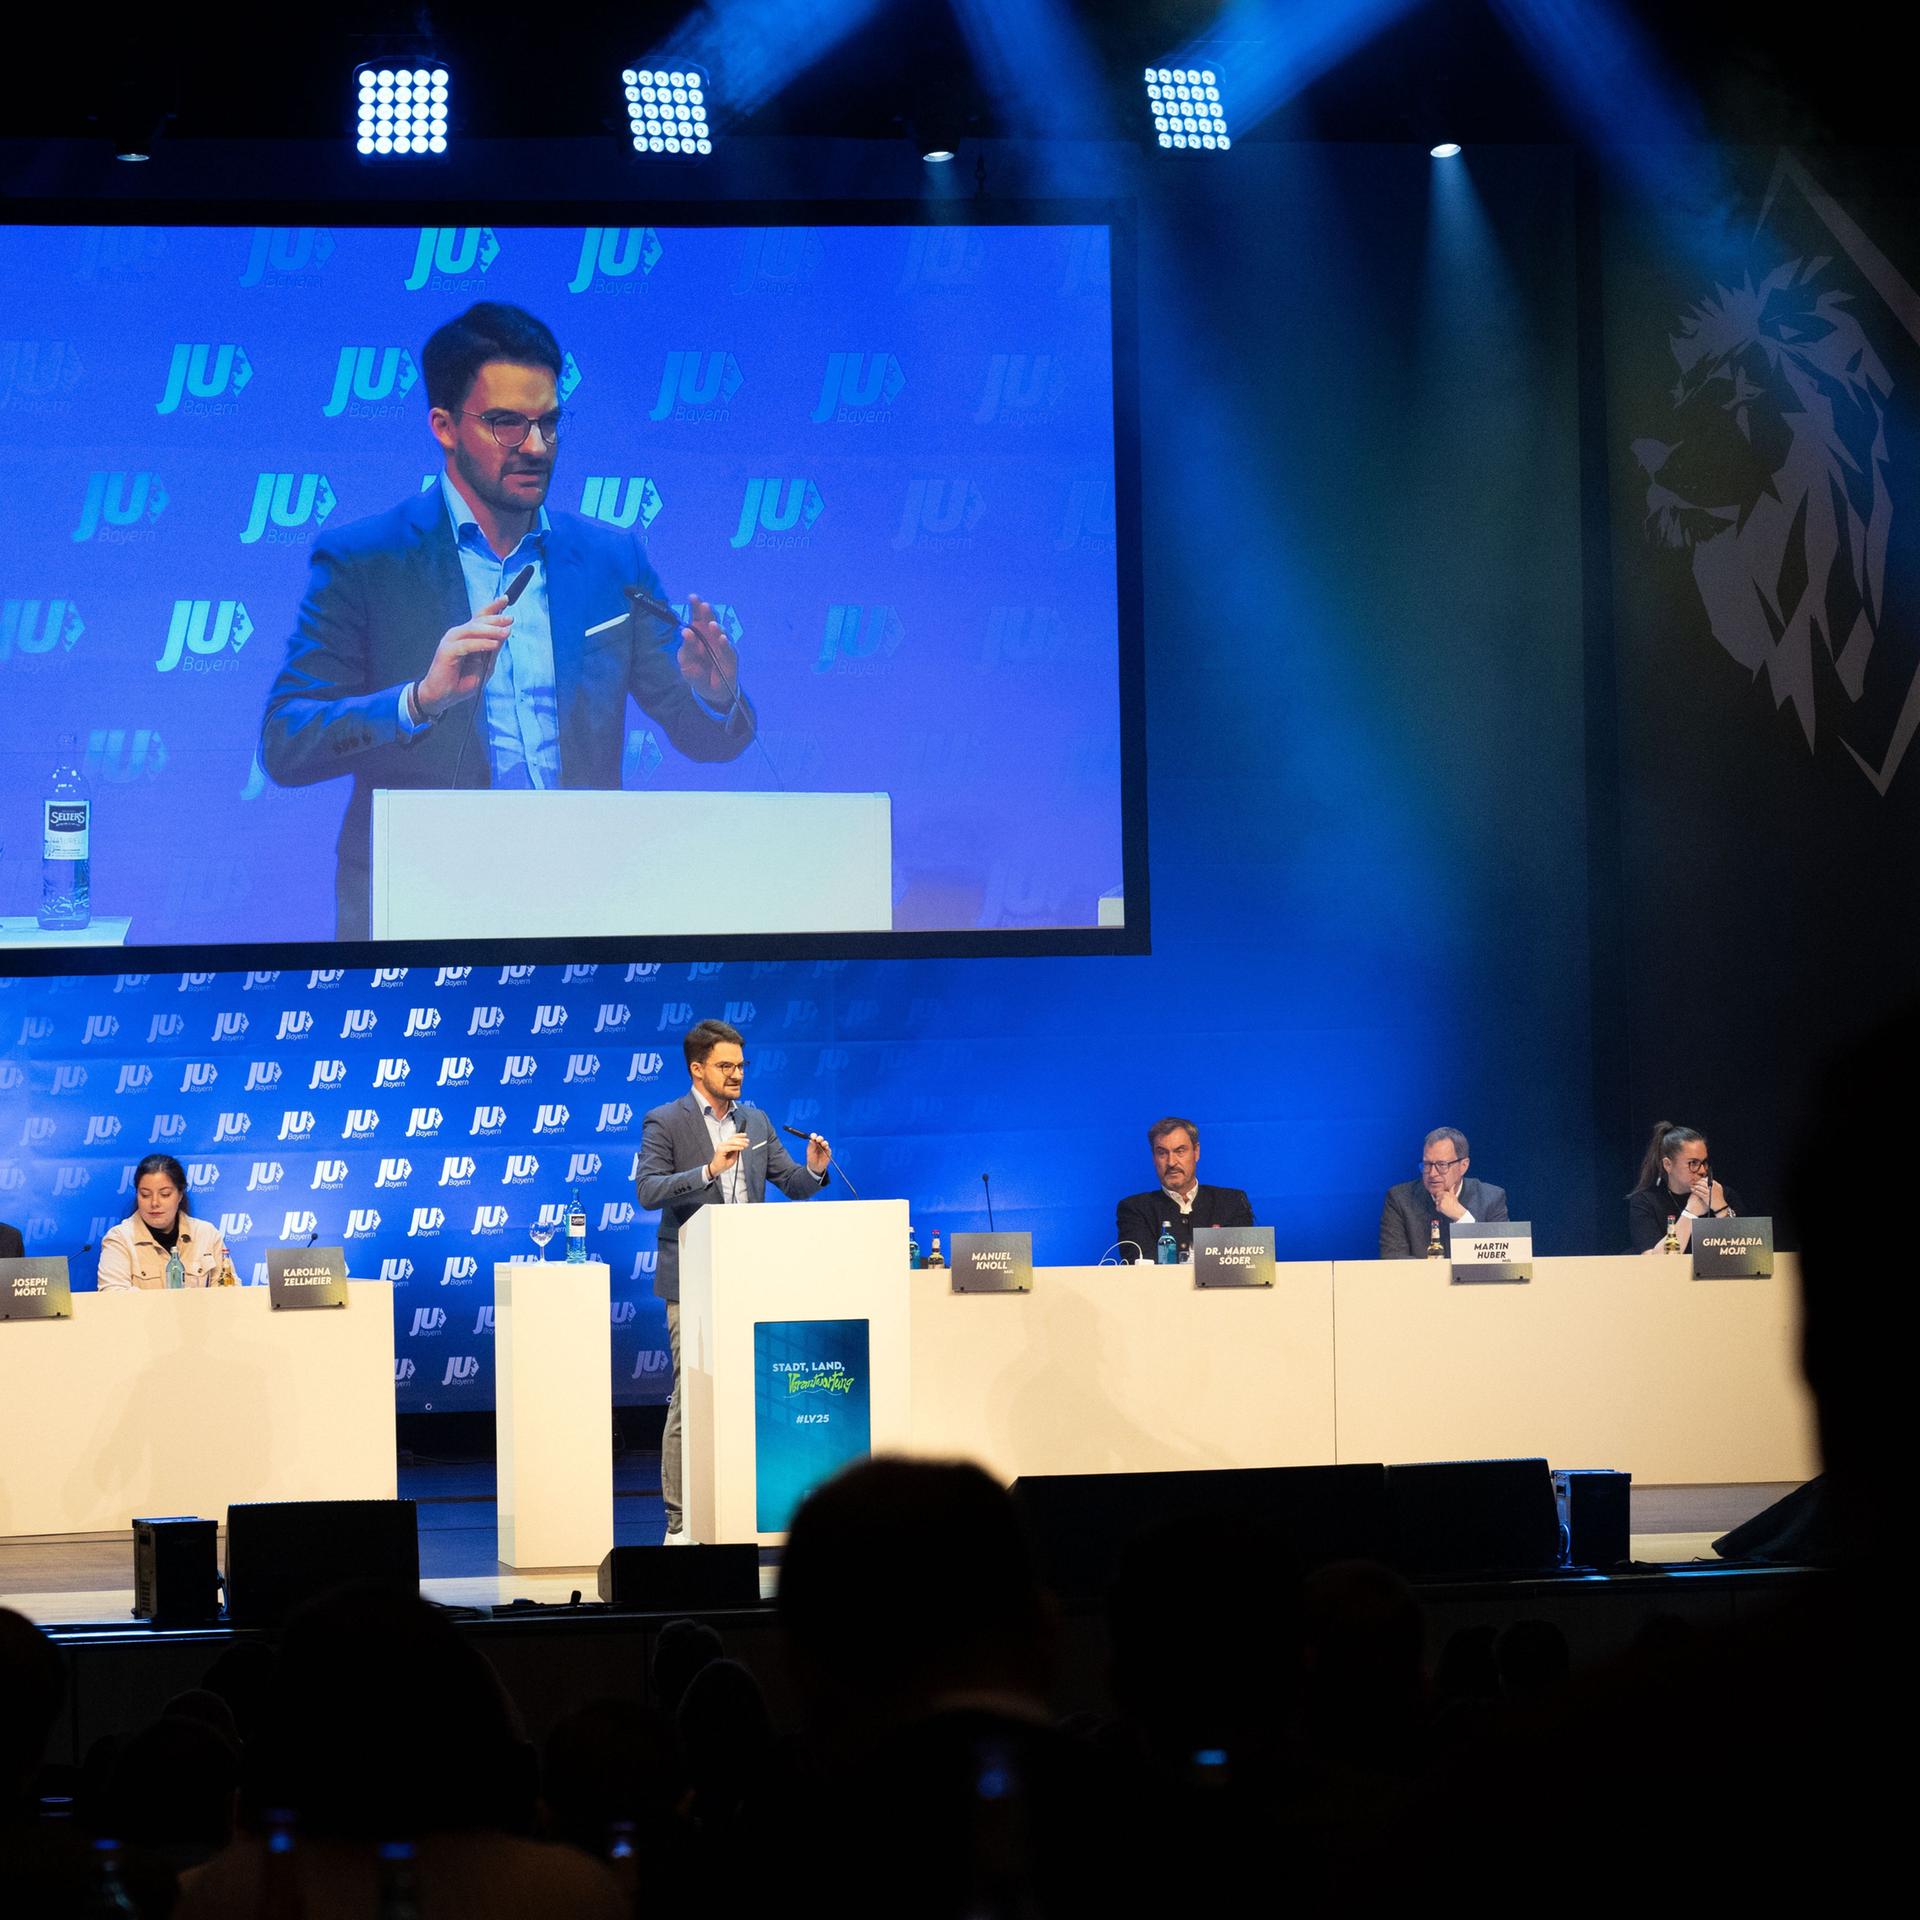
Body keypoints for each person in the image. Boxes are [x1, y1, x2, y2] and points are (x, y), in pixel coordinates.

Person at [259, 301, 758, 939]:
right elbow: (285, 742)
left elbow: (706, 737)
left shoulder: (612, 560)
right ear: (443, 425)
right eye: (507, 425)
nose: (536, 447)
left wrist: (715, 696)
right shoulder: (365, 561)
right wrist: (418, 701)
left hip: (587, 902)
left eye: (549, 423)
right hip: (423, 904)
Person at [634, 1020, 830, 1542]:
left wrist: (812, 1171)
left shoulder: (758, 1120)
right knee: (688, 1397)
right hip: (692, 1281)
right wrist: (707, 1170)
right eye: (726, 1066)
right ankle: (678, 1523)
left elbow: (791, 1182)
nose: (737, 1074)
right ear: (697, 1069)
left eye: (741, 1065)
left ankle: (747, 1507)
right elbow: (649, 1192)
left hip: (752, 1279)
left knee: (756, 1394)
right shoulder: (665, 1121)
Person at [1114, 1117, 1254, 1260]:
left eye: (1180, 1151)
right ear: (1153, 1157)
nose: (1171, 1162)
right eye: (1162, 1153)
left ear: (1196, 1152)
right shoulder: (1135, 1210)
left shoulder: (1232, 1203)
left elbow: (1243, 1265)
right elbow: (1141, 1268)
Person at [97, 1155, 230, 1290]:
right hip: (140, 1312)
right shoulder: (119, 1239)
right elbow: (113, 1296)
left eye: (165, 1194)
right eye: (145, 1195)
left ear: (180, 1195)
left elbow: (230, 1292)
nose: (154, 1203)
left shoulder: (207, 1234)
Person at [1377, 1127, 1511, 1257]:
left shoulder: (1491, 1198)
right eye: (1427, 1164)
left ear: (1463, 1166)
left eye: (1442, 1165)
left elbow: (1503, 1258)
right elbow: (1393, 1259)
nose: (1432, 1173)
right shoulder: (1399, 1200)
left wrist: (1462, 1217)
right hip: (1420, 1280)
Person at [1627, 1121, 1736, 1254]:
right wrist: (1690, 1213)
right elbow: (1654, 1262)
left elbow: (1744, 1254)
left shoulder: (1723, 1194)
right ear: (1668, 1165)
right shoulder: (1645, 1202)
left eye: (1704, 1162)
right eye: (1693, 1163)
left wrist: (1722, 1208)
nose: (1702, 1170)